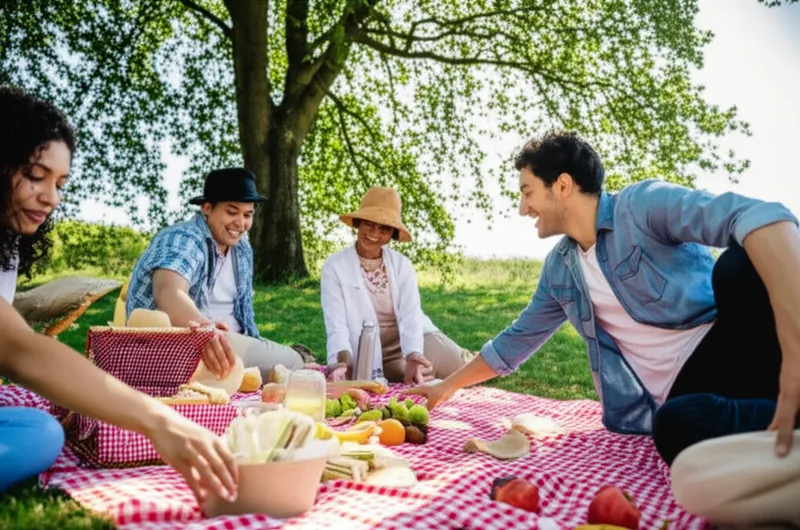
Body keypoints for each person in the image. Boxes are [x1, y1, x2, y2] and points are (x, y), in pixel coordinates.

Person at [407, 130, 800, 464]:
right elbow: (515, 341)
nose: (523, 208)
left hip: (736, 347)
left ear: (562, 185)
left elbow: (761, 216)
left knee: (739, 265)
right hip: (691, 397)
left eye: (527, 192)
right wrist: (446, 387)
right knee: (674, 428)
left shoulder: (642, 207)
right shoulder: (560, 269)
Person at [0, 85, 237, 501]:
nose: (51, 197)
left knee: (41, 432)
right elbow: (19, 350)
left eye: (60, 183)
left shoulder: (7, 243)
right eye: (36, 177)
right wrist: (158, 422)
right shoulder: (183, 241)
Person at [125, 168, 304, 381]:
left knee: (287, 365)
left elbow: (242, 314)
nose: (240, 223)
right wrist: (206, 331)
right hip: (175, 348)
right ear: (207, 208)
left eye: (248, 215)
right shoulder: (183, 238)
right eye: (231, 212)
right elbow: (168, 292)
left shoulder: (242, 249)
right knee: (295, 362)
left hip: (225, 344)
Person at [320, 186, 474, 384]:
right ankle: (422, 370)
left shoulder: (402, 264)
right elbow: (336, 324)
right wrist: (342, 363)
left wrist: (413, 354)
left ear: (392, 234)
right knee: (411, 378)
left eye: (383, 228)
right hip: (373, 351)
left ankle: (470, 355)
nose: (374, 233)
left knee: (462, 370)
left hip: (414, 338)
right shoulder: (335, 267)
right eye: (369, 224)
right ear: (358, 223)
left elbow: (411, 314)